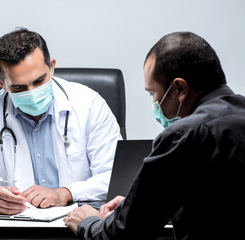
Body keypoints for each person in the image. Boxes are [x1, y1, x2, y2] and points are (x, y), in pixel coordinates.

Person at [64, 31, 245, 239]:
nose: (154, 103)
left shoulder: (183, 136)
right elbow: (218, 204)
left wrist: (88, 221)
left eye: (153, 93)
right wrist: (135, 206)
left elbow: (124, 234)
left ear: (179, 88)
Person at [0, 28, 121, 215]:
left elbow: (114, 176)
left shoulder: (90, 104)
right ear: (1, 84)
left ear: (52, 67)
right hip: (16, 228)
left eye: (39, 81)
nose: (31, 92)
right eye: (19, 87)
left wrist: (65, 193)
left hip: (79, 224)